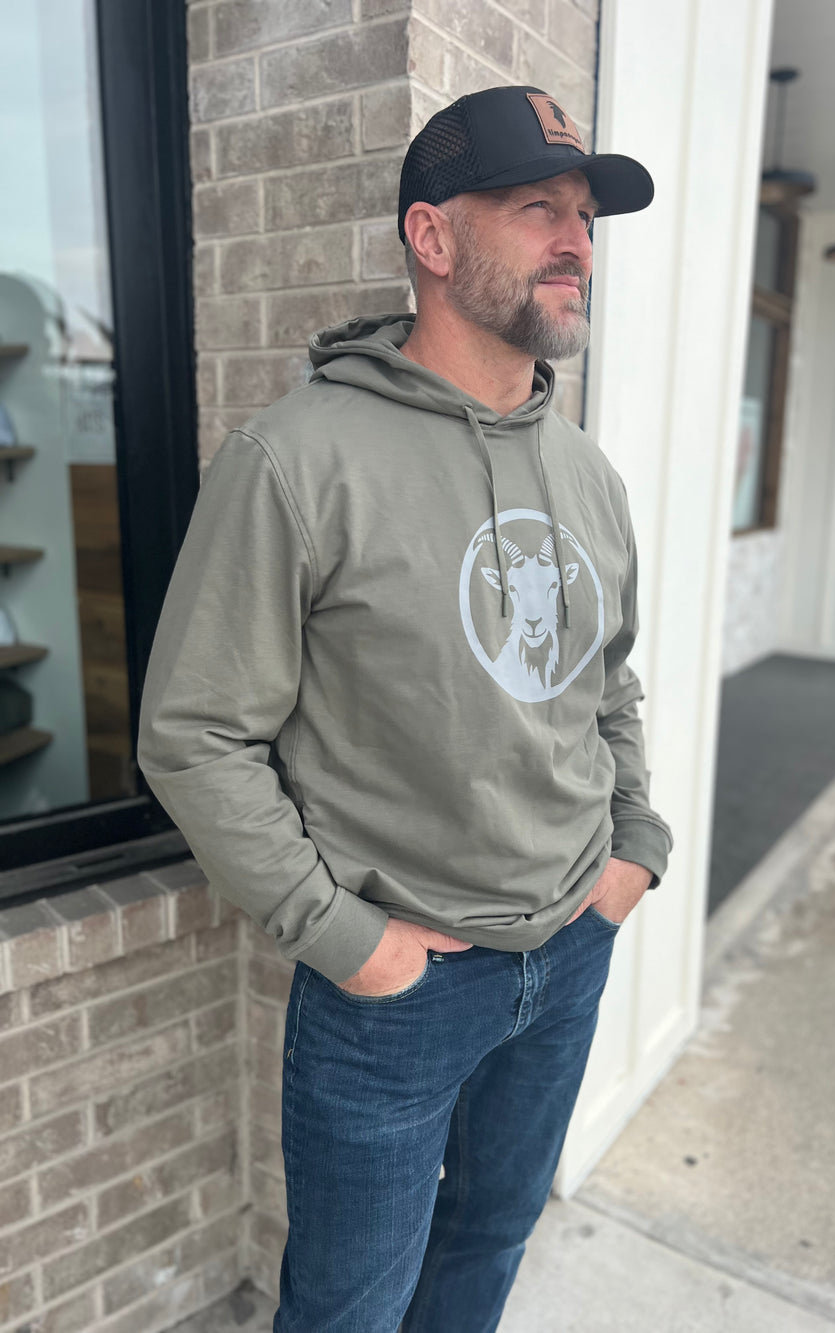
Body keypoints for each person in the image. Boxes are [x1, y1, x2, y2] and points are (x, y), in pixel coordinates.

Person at [138, 84, 671, 1333]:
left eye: (585, 218)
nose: (575, 243)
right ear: (430, 240)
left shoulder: (584, 471)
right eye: (537, 207)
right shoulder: (298, 460)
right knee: (347, 1306)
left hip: (572, 942)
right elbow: (194, 732)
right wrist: (340, 934)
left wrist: (633, 846)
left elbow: (609, 677)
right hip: (403, 988)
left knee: (489, 1239)